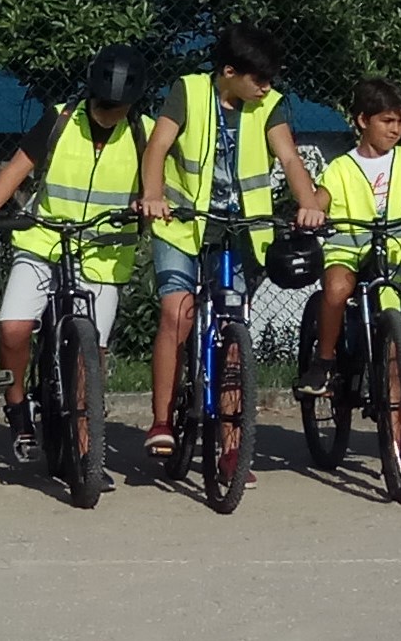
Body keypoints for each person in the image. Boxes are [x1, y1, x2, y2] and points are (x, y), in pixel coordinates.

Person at [135, 24, 325, 467]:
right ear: (228, 72)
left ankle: (232, 445)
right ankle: (161, 421)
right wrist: (153, 195)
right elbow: (158, 147)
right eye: (259, 78)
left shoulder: (268, 106)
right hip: (182, 226)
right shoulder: (188, 91)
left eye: (271, 79)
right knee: (176, 314)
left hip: (240, 231)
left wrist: (309, 204)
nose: (266, 87)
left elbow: (289, 158)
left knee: (233, 332)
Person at [0, 46, 147, 476]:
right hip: (44, 241)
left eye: (118, 108)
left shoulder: (142, 133)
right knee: (13, 329)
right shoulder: (61, 119)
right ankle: (17, 409)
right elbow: (19, 166)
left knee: (93, 355)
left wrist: (150, 203)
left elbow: (156, 186)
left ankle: (88, 453)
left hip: (104, 251)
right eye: (103, 105)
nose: (109, 114)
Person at [300, 80, 401, 397]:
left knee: (394, 355)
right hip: (350, 251)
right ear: (363, 120)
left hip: (396, 256)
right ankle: (324, 361)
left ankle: (398, 427)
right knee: (336, 288)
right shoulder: (341, 168)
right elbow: (319, 200)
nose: (395, 130)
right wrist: (311, 212)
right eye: (387, 121)